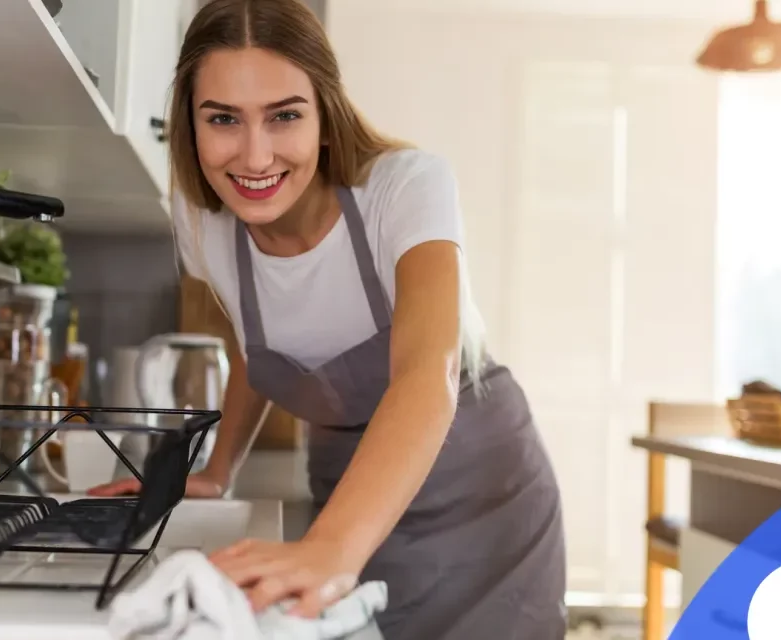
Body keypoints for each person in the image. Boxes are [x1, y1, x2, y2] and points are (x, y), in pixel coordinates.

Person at [88, 0, 567, 637]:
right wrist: (217, 470)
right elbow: (255, 346)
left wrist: (334, 548)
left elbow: (429, 372)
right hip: (347, 487)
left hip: (481, 492)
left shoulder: (405, 188)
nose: (255, 157)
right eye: (223, 119)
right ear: (190, 124)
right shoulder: (201, 221)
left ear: (323, 114)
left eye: (283, 115)